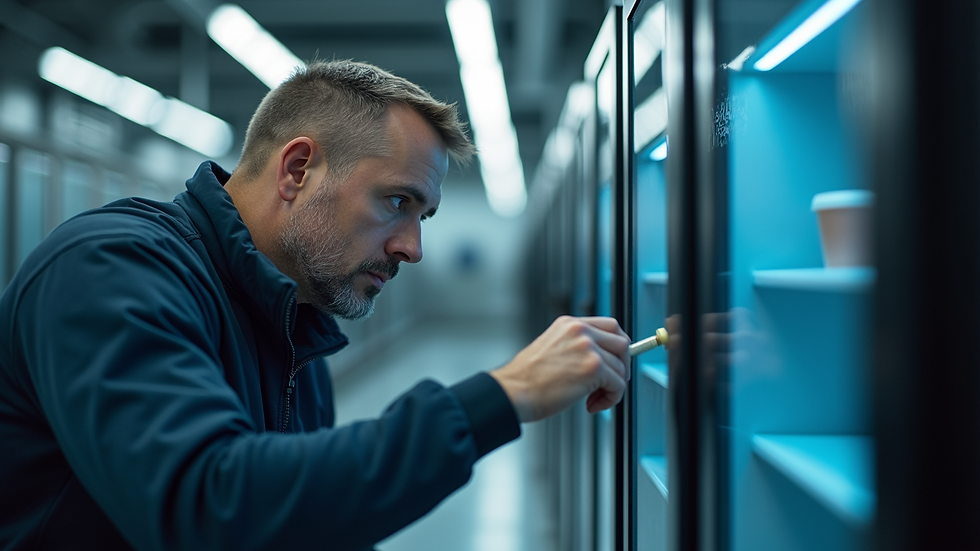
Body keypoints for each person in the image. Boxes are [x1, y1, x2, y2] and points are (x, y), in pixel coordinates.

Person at [0, 60, 630, 550]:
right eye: (397, 202)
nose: (412, 248)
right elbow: (208, 507)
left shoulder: (296, 333)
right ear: (298, 170)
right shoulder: (111, 267)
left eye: (425, 215)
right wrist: (503, 394)